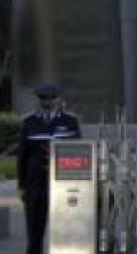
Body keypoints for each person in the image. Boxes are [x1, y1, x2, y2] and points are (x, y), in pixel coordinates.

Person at [17, 83, 81, 254]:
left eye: (52, 98)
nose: (48, 102)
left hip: (63, 185)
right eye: (44, 99)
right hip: (35, 185)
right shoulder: (29, 122)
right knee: (34, 235)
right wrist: (22, 186)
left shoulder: (70, 122)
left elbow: (79, 154)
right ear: (39, 100)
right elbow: (22, 157)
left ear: (59, 99)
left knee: (65, 232)